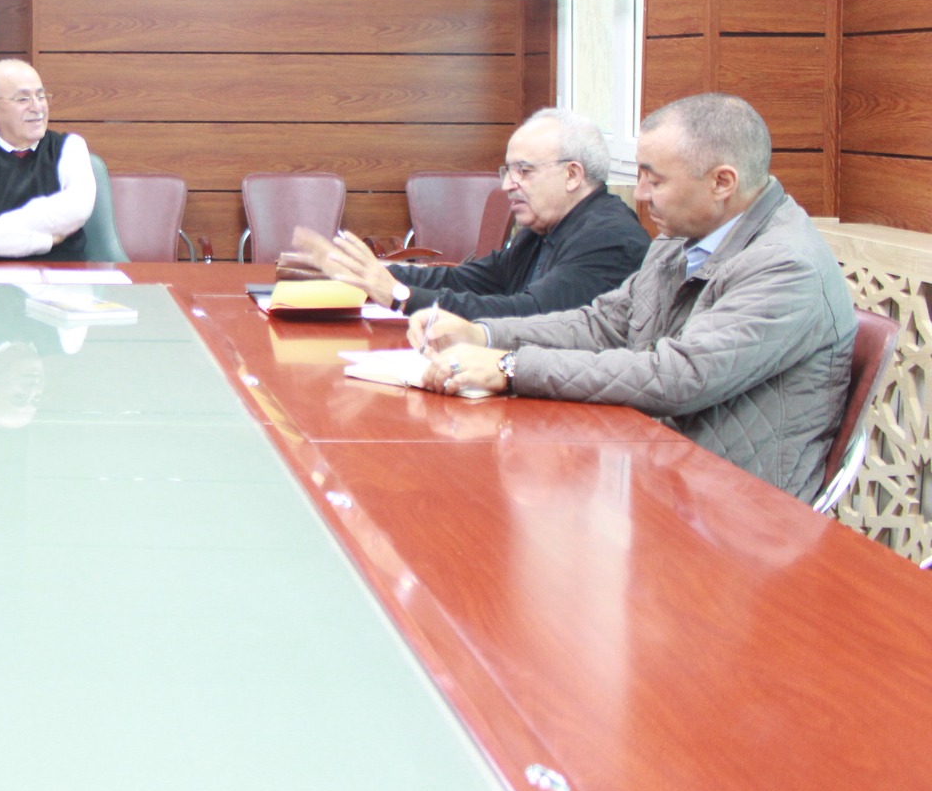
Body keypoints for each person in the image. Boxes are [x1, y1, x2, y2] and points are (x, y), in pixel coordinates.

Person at [414, 94, 855, 503]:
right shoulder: (680, 240)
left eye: (654, 179)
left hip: (733, 512)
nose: (640, 194)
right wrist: (483, 335)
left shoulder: (786, 266)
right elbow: (603, 324)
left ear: (722, 182)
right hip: (654, 471)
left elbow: (679, 376)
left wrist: (511, 368)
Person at [290, 107, 650, 318]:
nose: (508, 185)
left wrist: (400, 296)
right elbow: (468, 280)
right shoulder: (543, 230)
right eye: (507, 171)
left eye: (524, 171)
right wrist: (369, 273)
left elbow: (528, 315)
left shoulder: (609, 238)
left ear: (572, 175)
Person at [0, 59, 95, 260]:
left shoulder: (71, 147)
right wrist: (45, 241)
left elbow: (77, 210)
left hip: (60, 274)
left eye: (41, 96)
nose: (37, 107)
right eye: (23, 99)